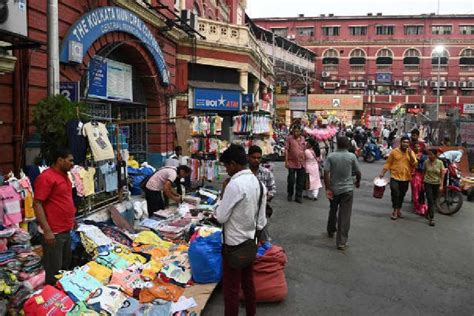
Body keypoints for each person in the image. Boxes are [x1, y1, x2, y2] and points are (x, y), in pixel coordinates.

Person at [215, 144, 267, 316]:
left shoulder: (234, 185)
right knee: (248, 284)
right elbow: (261, 220)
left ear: (233, 164)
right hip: (250, 243)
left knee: (231, 291)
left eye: (226, 166)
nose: (226, 170)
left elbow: (221, 217)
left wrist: (221, 197)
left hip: (233, 246)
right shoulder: (258, 184)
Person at [33, 149, 76, 285]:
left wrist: (72, 220)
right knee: (54, 271)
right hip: (53, 232)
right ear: (60, 160)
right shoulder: (46, 177)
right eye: (70, 160)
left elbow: (64, 199)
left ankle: (63, 298)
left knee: (65, 267)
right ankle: (53, 297)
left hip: (65, 229)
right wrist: (47, 231)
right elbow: (37, 204)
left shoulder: (65, 176)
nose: (72, 164)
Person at [324, 136, 361, 251]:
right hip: (347, 189)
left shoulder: (331, 156)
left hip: (334, 189)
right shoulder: (351, 156)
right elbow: (358, 172)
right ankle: (341, 242)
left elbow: (326, 173)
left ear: (337, 145)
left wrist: (328, 188)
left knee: (333, 209)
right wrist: (358, 182)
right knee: (344, 216)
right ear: (347, 145)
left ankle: (331, 229)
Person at [379, 136, 418, 220]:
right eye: (404, 142)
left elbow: (415, 164)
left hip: (406, 177)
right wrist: (383, 172)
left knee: (402, 195)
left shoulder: (411, 152)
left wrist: (411, 155)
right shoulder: (394, 152)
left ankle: (398, 209)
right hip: (394, 176)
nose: (405, 144)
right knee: (395, 193)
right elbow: (388, 163)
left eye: (407, 142)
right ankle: (395, 210)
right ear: (401, 142)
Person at [248, 145, 276, 241]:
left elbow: (272, 189)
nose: (256, 160)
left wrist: (265, 198)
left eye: (258, 158)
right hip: (246, 207)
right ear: (248, 157)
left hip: (262, 208)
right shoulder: (244, 173)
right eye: (253, 157)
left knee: (262, 232)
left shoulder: (267, 173)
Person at [285, 125, 306, 203]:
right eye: (294, 131)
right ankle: (290, 194)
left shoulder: (303, 139)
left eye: (297, 131)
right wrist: (286, 161)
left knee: (300, 181)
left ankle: (298, 196)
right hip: (292, 162)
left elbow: (305, 149)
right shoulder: (289, 138)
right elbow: (286, 149)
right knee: (291, 180)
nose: (296, 133)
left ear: (300, 132)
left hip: (302, 162)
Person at [423, 149, 445, 227]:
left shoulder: (440, 163)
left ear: (435, 155)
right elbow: (424, 172)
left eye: (431, 154)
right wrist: (423, 182)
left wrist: (441, 185)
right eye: (428, 154)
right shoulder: (426, 162)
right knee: (430, 200)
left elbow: (442, 175)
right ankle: (431, 218)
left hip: (436, 184)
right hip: (428, 183)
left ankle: (428, 212)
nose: (429, 156)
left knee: (434, 200)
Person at [411, 143, 428, 216]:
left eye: (418, 146)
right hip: (415, 175)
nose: (417, 148)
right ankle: (417, 207)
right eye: (415, 146)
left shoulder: (423, 156)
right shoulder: (411, 154)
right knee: (415, 191)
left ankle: (422, 207)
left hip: (422, 175)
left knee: (422, 191)